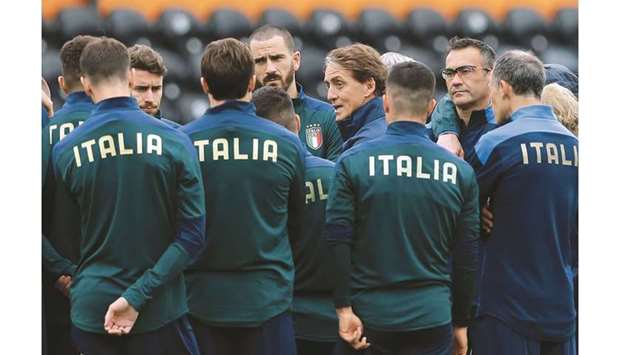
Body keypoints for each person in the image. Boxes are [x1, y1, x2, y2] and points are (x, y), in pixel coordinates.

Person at [51, 37, 206, 354]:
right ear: (127, 76)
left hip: (92, 311)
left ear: (85, 83)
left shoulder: (64, 151)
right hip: (159, 310)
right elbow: (192, 236)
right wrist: (137, 295)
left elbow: (65, 238)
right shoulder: (175, 142)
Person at [325, 61, 480, 355]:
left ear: (385, 102)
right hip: (431, 318)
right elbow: (466, 257)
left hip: (369, 317)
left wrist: (343, 307)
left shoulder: (352, 161)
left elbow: (337, 240)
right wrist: (461, 324)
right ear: (432, 106)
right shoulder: (460, 172)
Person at [180, 38, 305, 355]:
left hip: (200, 302)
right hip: (268, 300)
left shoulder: (180, 143)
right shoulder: (289, 145)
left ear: (204, 84)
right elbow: (298, 220)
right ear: (252, 81)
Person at [470, 50, 578, 355]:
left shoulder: (496, 143)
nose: (490, 100)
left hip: (507, 309)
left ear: (503, 87)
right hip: (562, 305)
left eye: (491, 91)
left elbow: (459, 208)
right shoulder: (577, 146)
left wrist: (477, 212)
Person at [251, 86, 338, 355]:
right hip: (338, 323)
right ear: (297, 123)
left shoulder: (255, 187)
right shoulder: (339, 175)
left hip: (282, 322)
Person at [42, 34, 98, 355]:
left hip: (55, 291)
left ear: (63, 82)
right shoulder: (127, 134)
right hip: (117, 292)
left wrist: (61, 272)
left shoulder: (41, 134)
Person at [249, 25, 342, 161]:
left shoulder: (327, 117)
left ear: (296, 60)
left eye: (277, 58)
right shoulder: (244, 118)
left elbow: (334, 177)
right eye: (260, 61)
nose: (270, 69)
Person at [430, 37, 497, 162]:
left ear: (491, 74)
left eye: (466, 71)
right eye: (449, 73)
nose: (455, 81)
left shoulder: (505, 132)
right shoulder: (429, 136)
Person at [324, 43, 388, 152]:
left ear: (369, 86)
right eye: (328, 86)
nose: (330, 96)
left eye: (339, 84)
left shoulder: (366, 144)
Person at [128, 44, 181, 128]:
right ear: (122, 87)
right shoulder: (104, 132)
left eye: (156, 89)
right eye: (141, 89)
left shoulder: (179, 135)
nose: (150, 99)